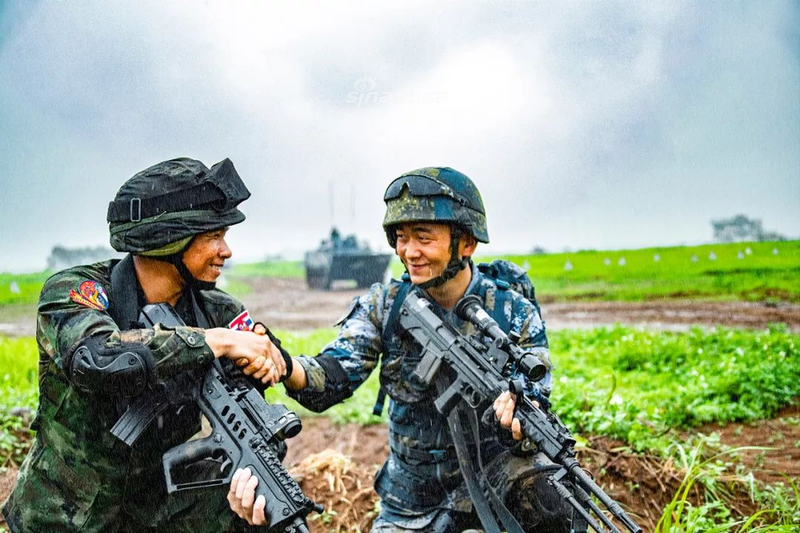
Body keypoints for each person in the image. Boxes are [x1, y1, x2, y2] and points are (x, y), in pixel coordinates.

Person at [2, 157, 288, 532]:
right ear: (169, 239)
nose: (226, 251)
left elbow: (260, 362)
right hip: (63, 517)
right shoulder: (77, 292)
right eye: (213, 237)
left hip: (157, 512)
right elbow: (99, 358)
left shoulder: (217, 310)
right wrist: (214, 341)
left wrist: (265, 362)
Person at [281, 167, 570, 532]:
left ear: (466, 244)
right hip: (411, 502)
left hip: (495, 486)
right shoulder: (385, 305)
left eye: (424, 238)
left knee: (552, 498)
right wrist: (286, 364)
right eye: (401, 238)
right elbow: (333, 375)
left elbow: (536, 397)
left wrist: (518, 413)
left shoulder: (512, 311)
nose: (410, 252)